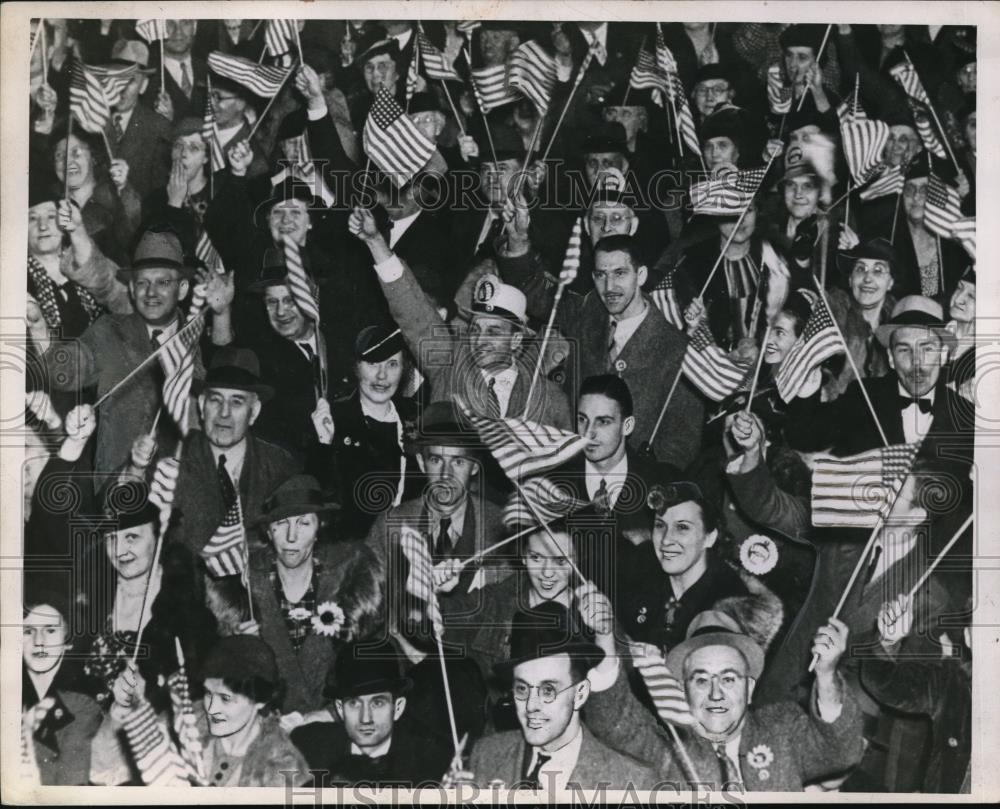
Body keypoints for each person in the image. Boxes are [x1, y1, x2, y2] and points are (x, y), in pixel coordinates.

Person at [584, 607, 865, 791]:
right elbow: (612, 717)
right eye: (701, 680)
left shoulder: (783, 729)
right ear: (682, 690)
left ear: (750, 689)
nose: (716, 693)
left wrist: (826, 675)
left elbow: (840, 750)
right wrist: (605, 635)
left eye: (728, 678)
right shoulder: (667, 747)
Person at [349, 205, 572, 429]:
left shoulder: (550, 398)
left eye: (493, 331)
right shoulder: (448, 366)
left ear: (516, 340)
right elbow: (411, 309)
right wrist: (375, 242)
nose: (480, 339)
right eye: (475, 329)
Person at [35, 227, 230, 479]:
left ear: (182, 289)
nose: (151, 293)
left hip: (181, 487)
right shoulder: (109, 331)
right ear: (131, 289)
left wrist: (222, 313)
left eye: (163, 282)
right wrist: (38, 326)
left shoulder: (195, 335)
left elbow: (225, 383)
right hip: (118, 489)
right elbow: (62, 371)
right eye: (142, 282)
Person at [499, 230, 704, 469]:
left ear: (641, 275)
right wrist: (517, 241)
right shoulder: (588, 312)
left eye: (620, 274)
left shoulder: (676, 349)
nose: (609, 287)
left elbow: (681, 443)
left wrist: (639, 480)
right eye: (600, 275)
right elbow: (538, 295)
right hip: (571, 470)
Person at [451, 601, 658, 791]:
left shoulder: (632, 782)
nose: (531, 706)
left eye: (548, 690)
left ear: (580, 693)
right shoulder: (485, 755)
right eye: (522, 689)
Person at [236, 475, 384, 715]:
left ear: (319, 528)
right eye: (281, 523)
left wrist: (330, 715)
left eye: (304, 523)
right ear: (268, 531)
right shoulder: (245, 591)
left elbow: (373, 670)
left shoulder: (348, 588)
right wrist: (239, 651)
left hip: (331, 727)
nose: (291, 536)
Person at [783, 295, 972, 462]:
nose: (916, 362)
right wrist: (809, 377)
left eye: (927, 349)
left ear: (943, 355)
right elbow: (804, 437)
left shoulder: (966, 415)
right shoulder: (864, 397)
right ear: (890, 357)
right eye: (904, 350)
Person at [111, 635, 310, 787]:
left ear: (261, 700)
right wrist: (123, 706)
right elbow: (112, 771)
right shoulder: (189, 718)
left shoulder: (283, 765)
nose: (211, 708)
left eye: (225, 699)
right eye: (208, 693)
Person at [364, 401, 508, 596]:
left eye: (458, 461)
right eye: (436, 460)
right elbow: (367, 596)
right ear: (422, 464)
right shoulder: (391, 525)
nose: (445, 474)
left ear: (474, 467)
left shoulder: (500, 528)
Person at [167, 347, 300, 558]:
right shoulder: (173, 460)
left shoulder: (280, 466)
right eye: (215, 400)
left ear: (254, 411)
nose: (224, 413)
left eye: (236, 401)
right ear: (202, 405)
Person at [615, 480, 751, 654]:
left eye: (682, 527)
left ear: (709, 537)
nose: (666, 539)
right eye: (660, 526)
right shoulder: (638, 572)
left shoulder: (729, 604)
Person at [290, 641, 452, 786]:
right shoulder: (306, 748)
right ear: (340, 709)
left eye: (377, 703)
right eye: (354, 703)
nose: (365, 718)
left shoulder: (432, 762)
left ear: (398, 708)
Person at [548, 374, 676, 541]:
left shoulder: (664, 482)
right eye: (582, 419)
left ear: (627, 426)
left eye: (603, 422)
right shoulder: (552, 483)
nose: (588, 432)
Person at [327, 325, 422, 539]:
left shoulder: (415, 419)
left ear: (404, 369)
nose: (382, 376)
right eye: (372, 363)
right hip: (349, 551)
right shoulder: (334, 419)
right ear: (356, 367)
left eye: (392, 364)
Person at [22, 583, 102, 786]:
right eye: (28, 631)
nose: (38, 641)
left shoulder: (83, 703)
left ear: (67, 640)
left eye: (50, 630)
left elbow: (71, 784)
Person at [822, 238, 897, 400]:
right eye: (860, 269)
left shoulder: (898, 324)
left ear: (890, 282)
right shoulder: (834, 312)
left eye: (878, 270)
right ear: (850, 279)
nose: (867, 278)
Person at [104, 39, 171, 199]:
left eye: (131, 81)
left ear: (143, 86)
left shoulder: (157, 127)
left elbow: (159, 192)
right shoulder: (93, 121)